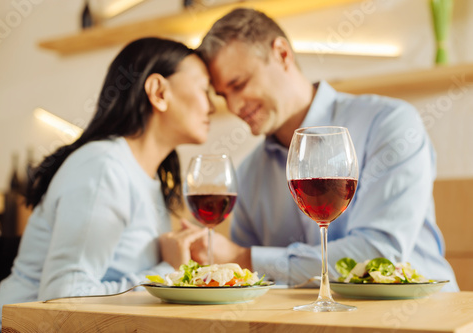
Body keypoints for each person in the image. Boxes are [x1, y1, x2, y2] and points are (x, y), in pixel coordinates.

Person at [187, 8, 459, 291]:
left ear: (282, 54)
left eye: (239, 84)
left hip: (425, 316)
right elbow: (249, 286)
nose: (233, 107)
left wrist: (246, 258)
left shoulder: (390, 123)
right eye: (223, 96)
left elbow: (379, 256)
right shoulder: (248, 174)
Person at [0, 37, 212, 332]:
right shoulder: (103, 168)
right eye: (204, 89)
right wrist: (168, 272)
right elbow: (63, 299)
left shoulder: (146, 178)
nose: (212, 105)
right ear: (158, 92)